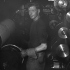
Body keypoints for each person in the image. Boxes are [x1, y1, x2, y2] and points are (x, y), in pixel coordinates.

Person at [21, 2, 48, 70]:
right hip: (34, 56)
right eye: (29, 11)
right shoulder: (34, 22)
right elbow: (35, 40)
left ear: (38, 11)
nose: (30, 13)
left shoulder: (40, 24)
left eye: (33, 10)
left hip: (36, 59)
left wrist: (27, 52)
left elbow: (44, 46)